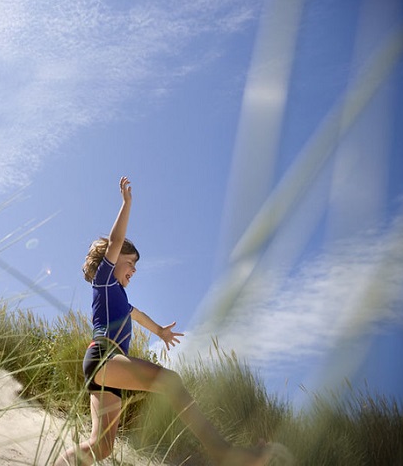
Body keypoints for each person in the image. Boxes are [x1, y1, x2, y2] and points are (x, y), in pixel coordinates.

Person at [54, 176, 276, 466]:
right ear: (114, 258)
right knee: (170, 381)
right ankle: (223, 452)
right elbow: (117, 239)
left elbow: (137, 314)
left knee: (102, 446)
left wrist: (159, 331)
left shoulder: (118, 296)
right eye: (130, 262)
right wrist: (126, 204)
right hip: (103, 358)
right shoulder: (104, 280)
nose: (133, 269)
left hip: (107, 369)